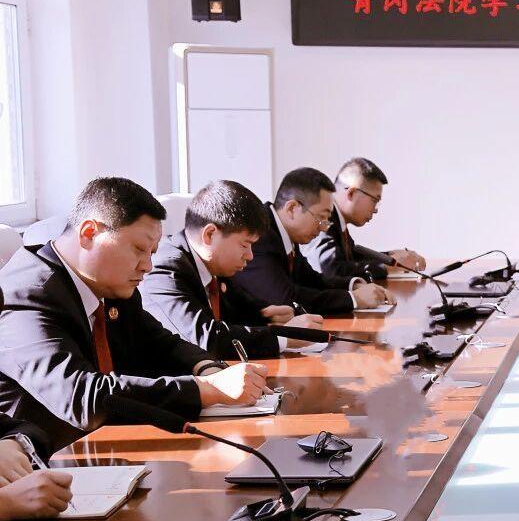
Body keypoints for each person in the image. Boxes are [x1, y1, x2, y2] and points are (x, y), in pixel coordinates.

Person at [0, 178, 269, 452]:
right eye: (139, 249)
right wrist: (206, 389)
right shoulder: (26, 294)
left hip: (112, 451)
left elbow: (159, 343)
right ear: (89, 233)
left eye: (152, 253)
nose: (148, 266)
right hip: (48, 463)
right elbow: (83, 397)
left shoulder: (109, 285)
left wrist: (207, 367)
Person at [141, 180, 324, 359]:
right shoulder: (166, 269)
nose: (250, 256)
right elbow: (206, 339)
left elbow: (242, 308)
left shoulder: (214, 266)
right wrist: (284, 336)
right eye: (245, 245)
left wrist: (270, 315)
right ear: (210, 234)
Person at [231, 167, 395, 316]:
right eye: (321, 218)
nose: (324, 228)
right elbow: (285, 299)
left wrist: (354, 286)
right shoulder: (261, 234)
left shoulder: (284, 231)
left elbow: (312, 279)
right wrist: (353, 299)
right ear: (292, 208)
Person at [304, 157, 426, 280]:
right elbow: (330, 270)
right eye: (375, 200)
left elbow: (352, 258)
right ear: (351, 193)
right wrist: (387, 267)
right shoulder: (324, 219)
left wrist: (391, 257)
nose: (376, 210)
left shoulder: (337, 219)